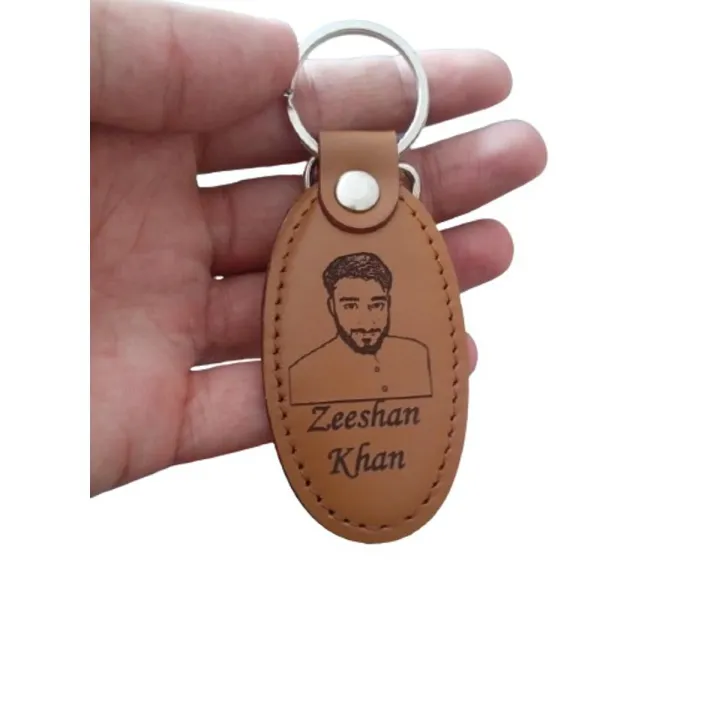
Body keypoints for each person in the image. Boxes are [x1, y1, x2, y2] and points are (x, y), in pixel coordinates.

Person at [90, 0, 547, 495]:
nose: (366, 318)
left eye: (376, 303)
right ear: (329, 306)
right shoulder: (305, 368)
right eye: (350, 304)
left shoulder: (419, 358)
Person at [288, 252, 432, 405]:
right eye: (350, 306)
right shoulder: (304, 372)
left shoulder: (418, 355)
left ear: (388, 303)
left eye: (377, 305)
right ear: (332, 307)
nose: (366, 324)